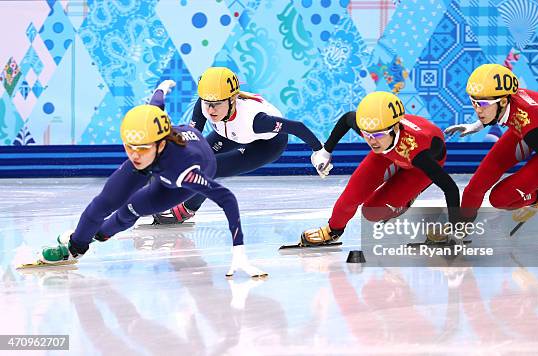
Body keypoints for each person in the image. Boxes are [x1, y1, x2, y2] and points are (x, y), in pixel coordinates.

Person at [38, 103, 266, 277]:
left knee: (129, 210)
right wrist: (161, 89)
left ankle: (100, 235)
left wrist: (239, 249)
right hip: (159, 158)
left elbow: (226, 198)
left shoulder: (184, 171)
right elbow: (157, 104)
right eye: (130, 147)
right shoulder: (145, 143)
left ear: (161, 144)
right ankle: (76, 246)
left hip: (173, 185)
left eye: (142, 148)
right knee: (103, 202)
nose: (135, 155)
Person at [152, 67, 331, 224]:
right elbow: (192, 139)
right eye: (207, 104)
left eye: (216, 104)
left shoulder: (256, 121)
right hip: (229, 133)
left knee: (213, 168)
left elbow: (297, 127)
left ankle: (187, 210)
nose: (210, 110)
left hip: (267, 145)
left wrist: (319, 150)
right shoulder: (204, 103)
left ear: (232, 100)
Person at [300, 91, 461, 246]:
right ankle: (332, 231)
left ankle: (407, 199)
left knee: (371, 212)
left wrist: (455, 229)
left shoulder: (419, 154)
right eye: (367, 134)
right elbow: (348, 118)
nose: (372, 141)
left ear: (396, 128)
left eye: (378, 135)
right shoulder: (375, 130)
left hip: (419, 166)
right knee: (350, 197)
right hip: (389, 153)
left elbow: (451, 188)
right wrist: (326, 151)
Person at [445, 63, 538, 232]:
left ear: (503, 101)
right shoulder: (505, 101)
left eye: (481, 103)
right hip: (533, 125)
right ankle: (459, 229)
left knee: (500, 199)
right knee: (474, 188)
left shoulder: (530, 127)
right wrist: (476, 125)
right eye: (473, 102)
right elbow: (493, 111)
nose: (477, 110)